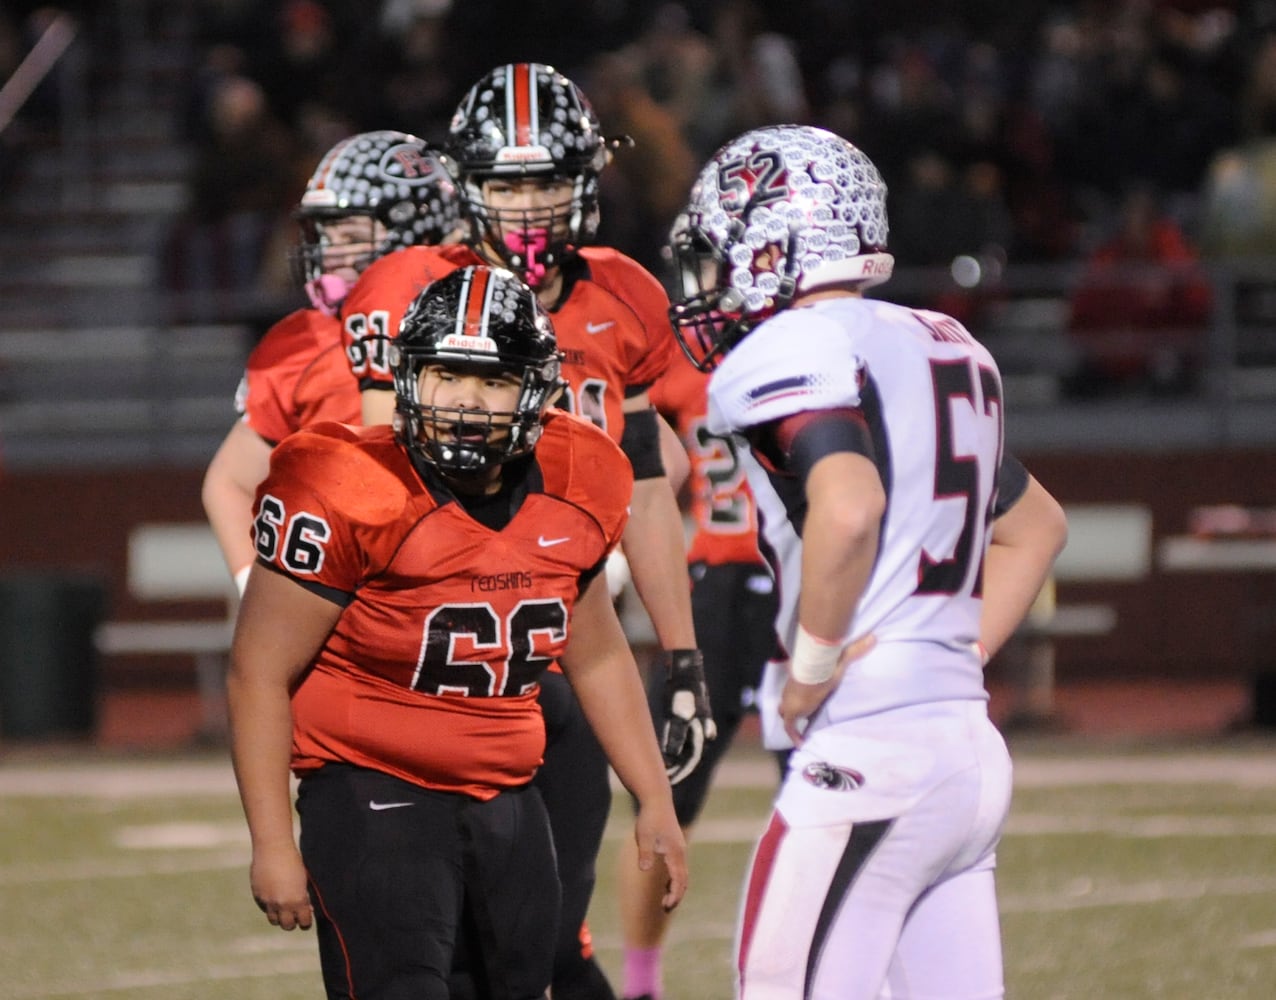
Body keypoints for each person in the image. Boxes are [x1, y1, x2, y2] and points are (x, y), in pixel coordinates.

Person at [666, 124, 1068, 999]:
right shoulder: (943, 340)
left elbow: (848, 508)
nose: (708, 279)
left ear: (778, 242)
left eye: (720, 250)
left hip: (869, 752)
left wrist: (808, 672)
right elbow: (1037, 528)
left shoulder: (789, 349)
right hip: (966, 749)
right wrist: (953, 656)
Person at [339, 62, 712, 1000]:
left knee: (543, 938)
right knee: (435, 946)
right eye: (508, 182)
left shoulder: (621, 295)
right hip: (437, 666)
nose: (530, 204)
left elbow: (651, 489)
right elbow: (376, 480)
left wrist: (685, 657)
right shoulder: (407, 293)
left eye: (547, 179)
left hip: (567, 655)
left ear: (583, 180)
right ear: (469, 186)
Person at [227, 264, 688, 1000]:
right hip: (372, 787)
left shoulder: (583, 473)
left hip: (508, 795)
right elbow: (257, 671)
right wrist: (273, 841)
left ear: (535, 391)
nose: (467, 403)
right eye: (445, 374)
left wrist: (654, 797)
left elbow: (596, 651)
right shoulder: (347, 485)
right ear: (409, 377)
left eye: (495, 380)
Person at [202, 129, 461, 596]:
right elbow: (230, 482)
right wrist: (256, 591)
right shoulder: (300, 344)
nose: (330, 251)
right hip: (351, 594)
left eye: (350, 234)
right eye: (325, 232)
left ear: (418, 232)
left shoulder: (479, 327)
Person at [615, 356, 779, 1000]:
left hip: (811, 575)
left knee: (829, 790)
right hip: (720, 586)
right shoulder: (677, 367)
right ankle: (641, 987)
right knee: (664, 799)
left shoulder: (822, 343)